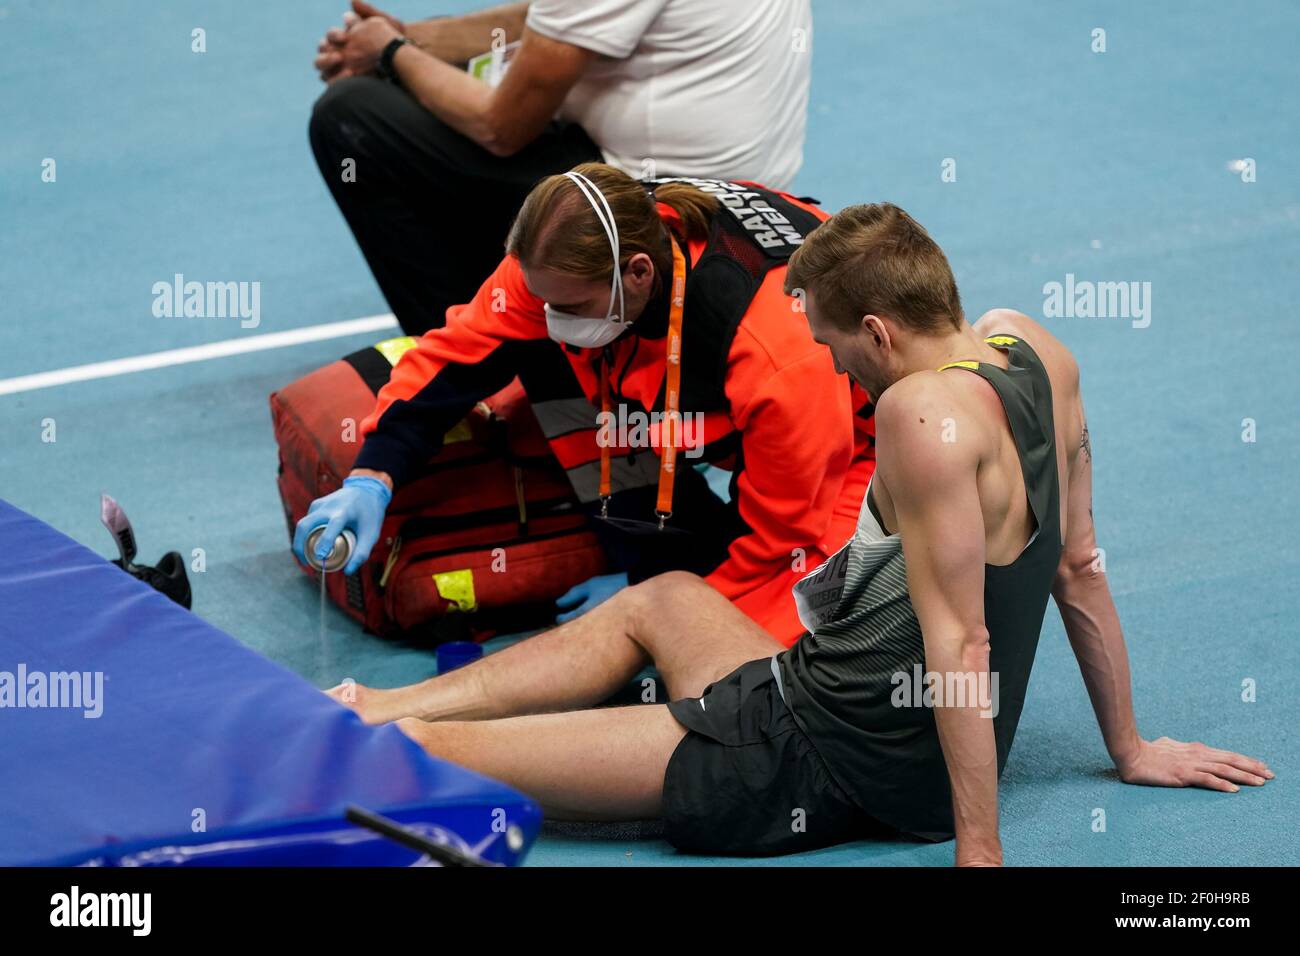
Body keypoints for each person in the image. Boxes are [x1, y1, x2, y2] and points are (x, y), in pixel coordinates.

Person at [322, 203, 1272, 863]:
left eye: (830, 342)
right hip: (809, 695)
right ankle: (379, 700)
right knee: (663, 600)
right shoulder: (1036, 349)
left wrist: (978, 851)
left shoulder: (918, 420)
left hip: (812, 761)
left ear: (879, 331)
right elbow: (1078, 568)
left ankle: (365, 731)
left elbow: (961, 643)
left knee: (446, 760)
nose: (827, 361)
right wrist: (1132, 747)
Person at [294, 163, 876, 645]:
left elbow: (780, 532)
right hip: (700, 400)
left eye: (568, 307)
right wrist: (373, 474)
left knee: (744, 652)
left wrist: (656, 605)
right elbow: (457, 354)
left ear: (639, 273)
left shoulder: (774, 348)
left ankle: (676, 573)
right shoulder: (569, 253)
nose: (550, 319)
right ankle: (655, 546)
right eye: (541, 299)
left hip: (856, 451)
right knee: (543, 347)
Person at [310, 0, 814, 334]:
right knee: (433, 82)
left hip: (656, 204)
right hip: (753, 199)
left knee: (353, 115)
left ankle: (471, 351)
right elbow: (548, 17)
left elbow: (500, 127)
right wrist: (410, 38)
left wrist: (389, 51)